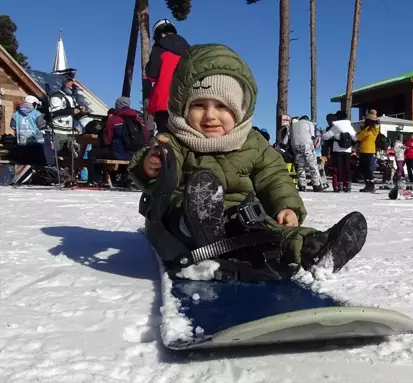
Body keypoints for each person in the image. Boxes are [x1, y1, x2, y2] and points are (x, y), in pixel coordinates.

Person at [128, 44, 367, 280]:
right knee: (185, 204)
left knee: (270, 231)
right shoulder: (176, 139)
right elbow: (163, 161)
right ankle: (198, 228)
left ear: (240, 109)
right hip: (188, 216)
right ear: (183, 107)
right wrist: (152, 165)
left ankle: (314, 249)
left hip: (241, 218)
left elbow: (273, 176)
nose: (210, 115)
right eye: (199, 105)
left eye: (222, 106)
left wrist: (286, 206)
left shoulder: (251, 141)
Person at [88, 97, 147, 184]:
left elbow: (107, 141)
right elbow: (145, 138)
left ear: (117, 105)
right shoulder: (139, 120)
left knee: (92, 153)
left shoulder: (114, 119)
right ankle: (122, 177)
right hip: (135, 154)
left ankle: (94, 179)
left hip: (118, 153)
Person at [146, 19, 190, 135]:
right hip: (185, 101)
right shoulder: (189, 50)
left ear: (159, 34)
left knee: (165, 138)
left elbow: (151, 75)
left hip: (163, 102)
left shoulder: (159, 47)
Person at [49, 75, 86, 156]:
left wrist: (81, 110)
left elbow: (74, 109)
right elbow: (55, 111)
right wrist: (72, 111)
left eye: (74, 86)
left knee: (69, 154)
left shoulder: (71, 97)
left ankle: (66, 168)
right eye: (71, 85)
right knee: (57, 153)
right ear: (65, 84)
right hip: (58, 129)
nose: (73, 88)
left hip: (69, 130)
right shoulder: (57, 96)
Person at [10, 95, 51, 165]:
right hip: (36, 143)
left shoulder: (16, 114)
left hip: (22, 143)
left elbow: (13, 126)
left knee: (25, 165)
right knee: (39, 164)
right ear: (34, 104)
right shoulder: (36, 114)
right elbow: (42, 126)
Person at [322, 110, 356, 192]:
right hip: (348, 149)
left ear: (338, 117)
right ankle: (348, 186)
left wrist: (322, 134)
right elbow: (355, 137)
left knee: (339, 168)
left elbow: (326, 136)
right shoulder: (349, 126)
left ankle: (340, 186)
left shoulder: (336, 126)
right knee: (347, 168)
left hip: (338, 149)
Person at [289, 116, 322, 192]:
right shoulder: (309, 123)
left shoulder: (293, 125)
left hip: (295, 145)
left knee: (300, 166)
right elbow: (313, 136)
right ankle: (316, 185)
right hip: (306, 145)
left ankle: (302, 185)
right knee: (312, 165)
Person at [355, 109, 380, 192]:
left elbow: (359, 137)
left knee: (365, 168)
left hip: (366, 149)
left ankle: (370, 185)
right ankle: (369, 184)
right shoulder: (375, 128)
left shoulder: (368, 129)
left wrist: (357, 134)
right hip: (370, 149)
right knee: (365, 168)